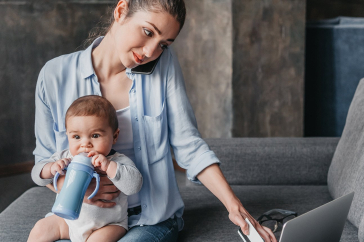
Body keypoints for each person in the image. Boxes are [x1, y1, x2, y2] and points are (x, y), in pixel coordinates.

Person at [32, 0, 277, 241]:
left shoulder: (164, 66)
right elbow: (43, 161)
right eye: (148, 32)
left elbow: (189, 145)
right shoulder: (54, 76)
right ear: (121, 10)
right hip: (81, 219)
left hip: (150, 220)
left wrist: (234, 206)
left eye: (163, 44)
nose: (150, 52)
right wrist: (71, 187)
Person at [28, 96, 143, 242]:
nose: (85, 144)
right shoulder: (65, 157)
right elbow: (36, 175)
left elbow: (134, 186)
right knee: (41, 228)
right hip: (68, 223)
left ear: (114, 136)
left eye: (95, 135)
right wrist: (50, 168)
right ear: (67, 136)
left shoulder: (117, 160)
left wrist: (109, 167)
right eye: (76, 136)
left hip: (107, 225)